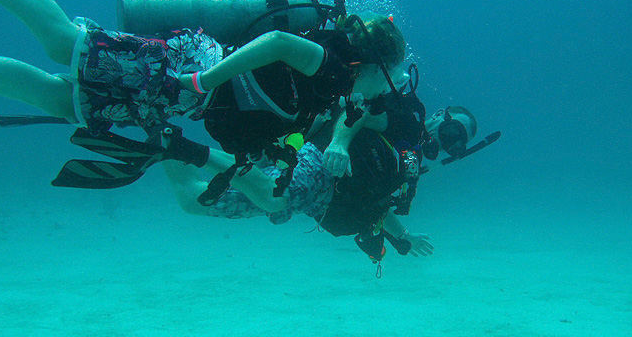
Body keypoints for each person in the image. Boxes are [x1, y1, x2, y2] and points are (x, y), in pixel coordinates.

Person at [0, 0, 406, 198]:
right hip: (190, 70)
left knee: (62, 99)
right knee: (65, 43)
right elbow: (278, 44)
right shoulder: (329, 63)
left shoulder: (337, 90)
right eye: (387, 78)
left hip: (184, 95)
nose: (382, 90)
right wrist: (203, 80)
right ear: (372, 63)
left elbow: (310, 114)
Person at [162, 104, 480, 265]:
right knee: (273, 196)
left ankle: (163, 136)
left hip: (317, 201)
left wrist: (404, 235)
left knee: (193, 201)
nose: (446, 142)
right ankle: (187, 149)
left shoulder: (411, 165)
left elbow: (377, 206)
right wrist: (339, 143)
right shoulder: (403, 119)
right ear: (440, 115)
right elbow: (356, 111)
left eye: (455, 144)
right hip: (320, 165)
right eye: (451, 131)